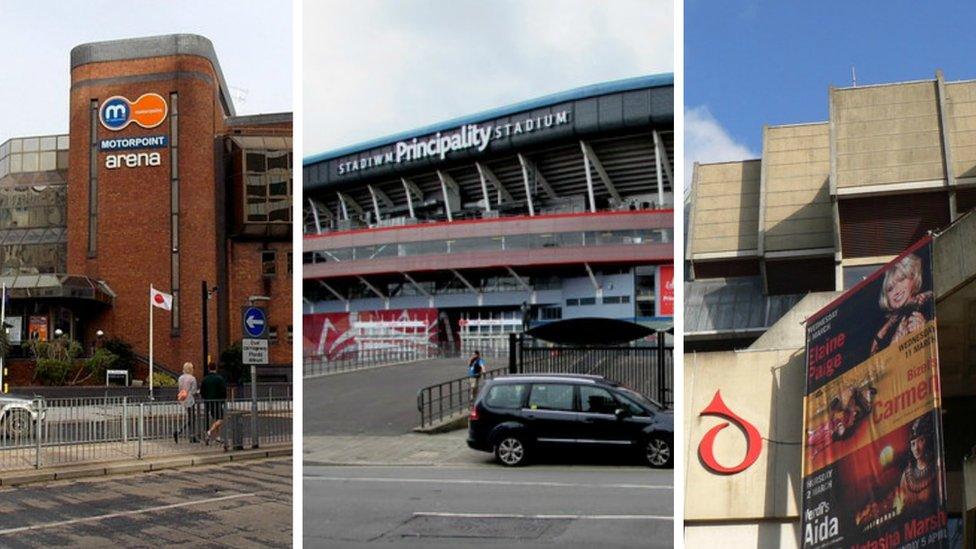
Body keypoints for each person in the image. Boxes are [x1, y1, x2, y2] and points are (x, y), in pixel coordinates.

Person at [871, 254, 932, 355]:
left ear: (913, 278)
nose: (897, 291)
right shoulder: (885, 325)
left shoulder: (926, 303)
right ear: (886, 297)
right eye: (890, 289)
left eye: (901, 279)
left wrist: (922, 332)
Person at [896, 415, 938, 514]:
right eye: (913, 444)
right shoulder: (906, 476)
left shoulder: (936, 469)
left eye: (921, 440)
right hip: (911, 526)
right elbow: (902, 508)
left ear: (927, 441)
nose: (916, 448)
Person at [200, 363, 228, 446]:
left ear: (209, 368)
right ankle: (210, 432)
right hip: (217, 401)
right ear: (215, 368)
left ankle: (217, 437)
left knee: (215, 419)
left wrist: (205, 398)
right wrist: (223, 400)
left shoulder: (205, 379)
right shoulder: (219, 378)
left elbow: (202, 391)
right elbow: (223, 390)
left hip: (208, 401)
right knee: (220, 419)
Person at [174, 362, 199, 443]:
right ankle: (185, 433)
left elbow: (180, 389)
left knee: (191, 418)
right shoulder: (192, 378)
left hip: (183, 398)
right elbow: (193, 391)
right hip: (190, 400)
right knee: (192, 418)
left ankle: (182, 432)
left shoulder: (180, 378)